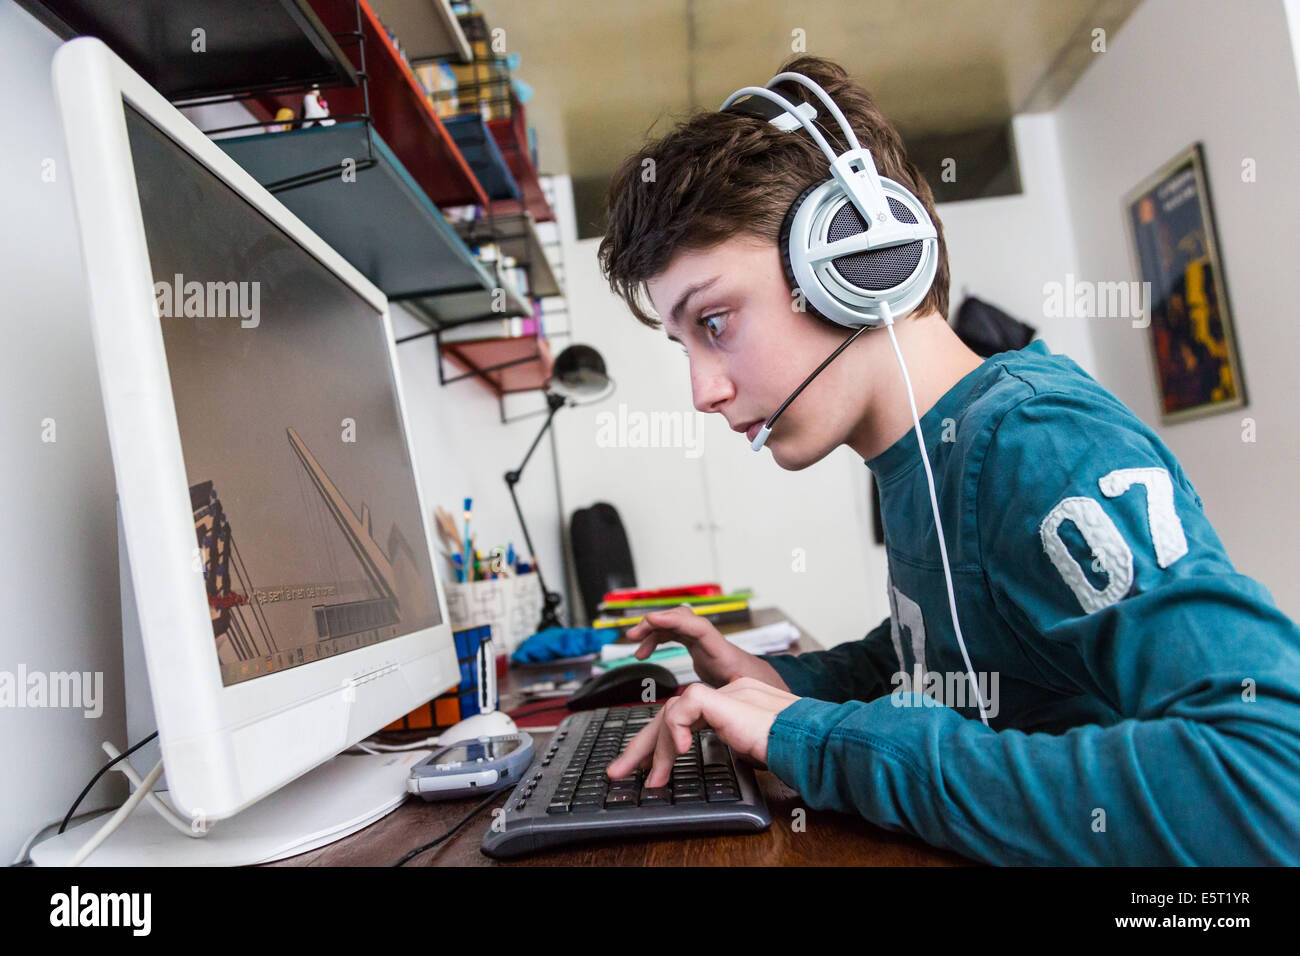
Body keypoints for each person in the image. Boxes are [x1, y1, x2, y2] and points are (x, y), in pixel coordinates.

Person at [599, 55, 1300, 865]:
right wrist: (783, 682)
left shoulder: (1037, 443)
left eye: (714, 321)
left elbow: (1268, 774)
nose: (703, 391)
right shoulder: (925, 456)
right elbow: (948, 652)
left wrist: (824, 742)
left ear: (855, 259)